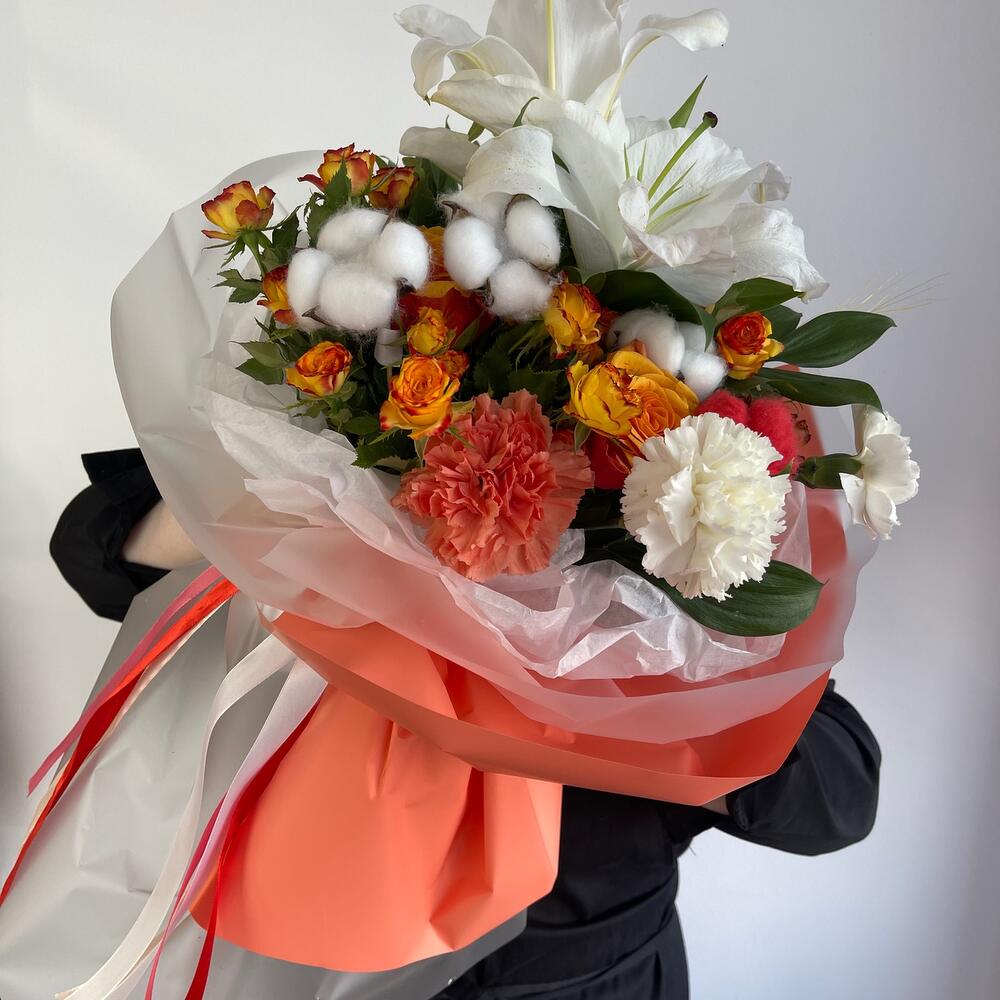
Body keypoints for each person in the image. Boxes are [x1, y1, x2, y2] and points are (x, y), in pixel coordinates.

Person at [50, 449, 882, 1000]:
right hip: (316, 959)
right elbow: (92, 547)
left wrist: (622, 669)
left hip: (589, 973)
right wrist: (325, 507)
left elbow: (839, 800)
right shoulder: (347, 458)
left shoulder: (683, 567)